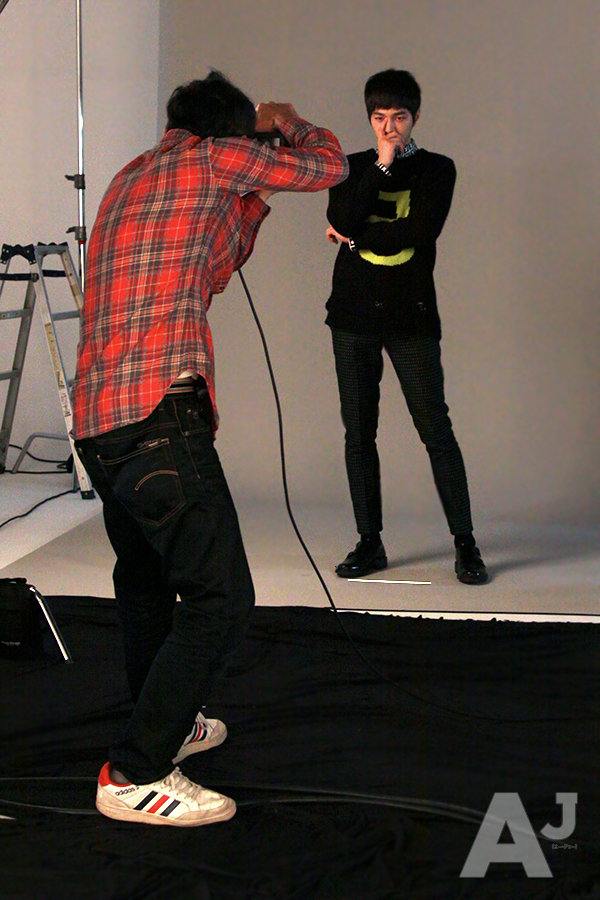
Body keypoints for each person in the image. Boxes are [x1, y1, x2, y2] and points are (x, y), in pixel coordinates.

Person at [71, 70, 348, 826]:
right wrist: (285, 122)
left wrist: (249, 196)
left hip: (99, 424)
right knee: (221, 599)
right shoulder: (212, 157)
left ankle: (168, 721)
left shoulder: (132, 176)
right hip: (158, 416)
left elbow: (214, 267)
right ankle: (134, 772)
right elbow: (329, 165)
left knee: (146, 585)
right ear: (227, 133)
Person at [325, 68, 487, 585]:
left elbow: (419, 232)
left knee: (435, 428)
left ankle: (466, 543)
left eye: (398, 117)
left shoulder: (437, 169)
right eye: (379, 118)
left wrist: (353, 238)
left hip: (410, 316)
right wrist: (381, 165)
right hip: (352, 316)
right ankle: (369, 541)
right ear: (369, 119)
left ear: (416, 116)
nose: (389, 127)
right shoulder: (352, 167)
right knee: (358, 431)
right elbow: (345, 218)